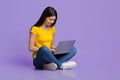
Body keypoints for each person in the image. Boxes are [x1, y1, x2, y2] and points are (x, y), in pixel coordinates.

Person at [28, 6, 77, 70]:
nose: (52, 22)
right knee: (44, 48)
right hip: (39, 59)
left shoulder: (52, 29)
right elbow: (30, 48)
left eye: (54, 20)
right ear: (44, 17)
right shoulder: (35, 29)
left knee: (73, 49)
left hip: (50, 56)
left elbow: (52, 45)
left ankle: (48, 65)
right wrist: (47, 49)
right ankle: (61, 65)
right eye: (50, 19)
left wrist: (56, 48)